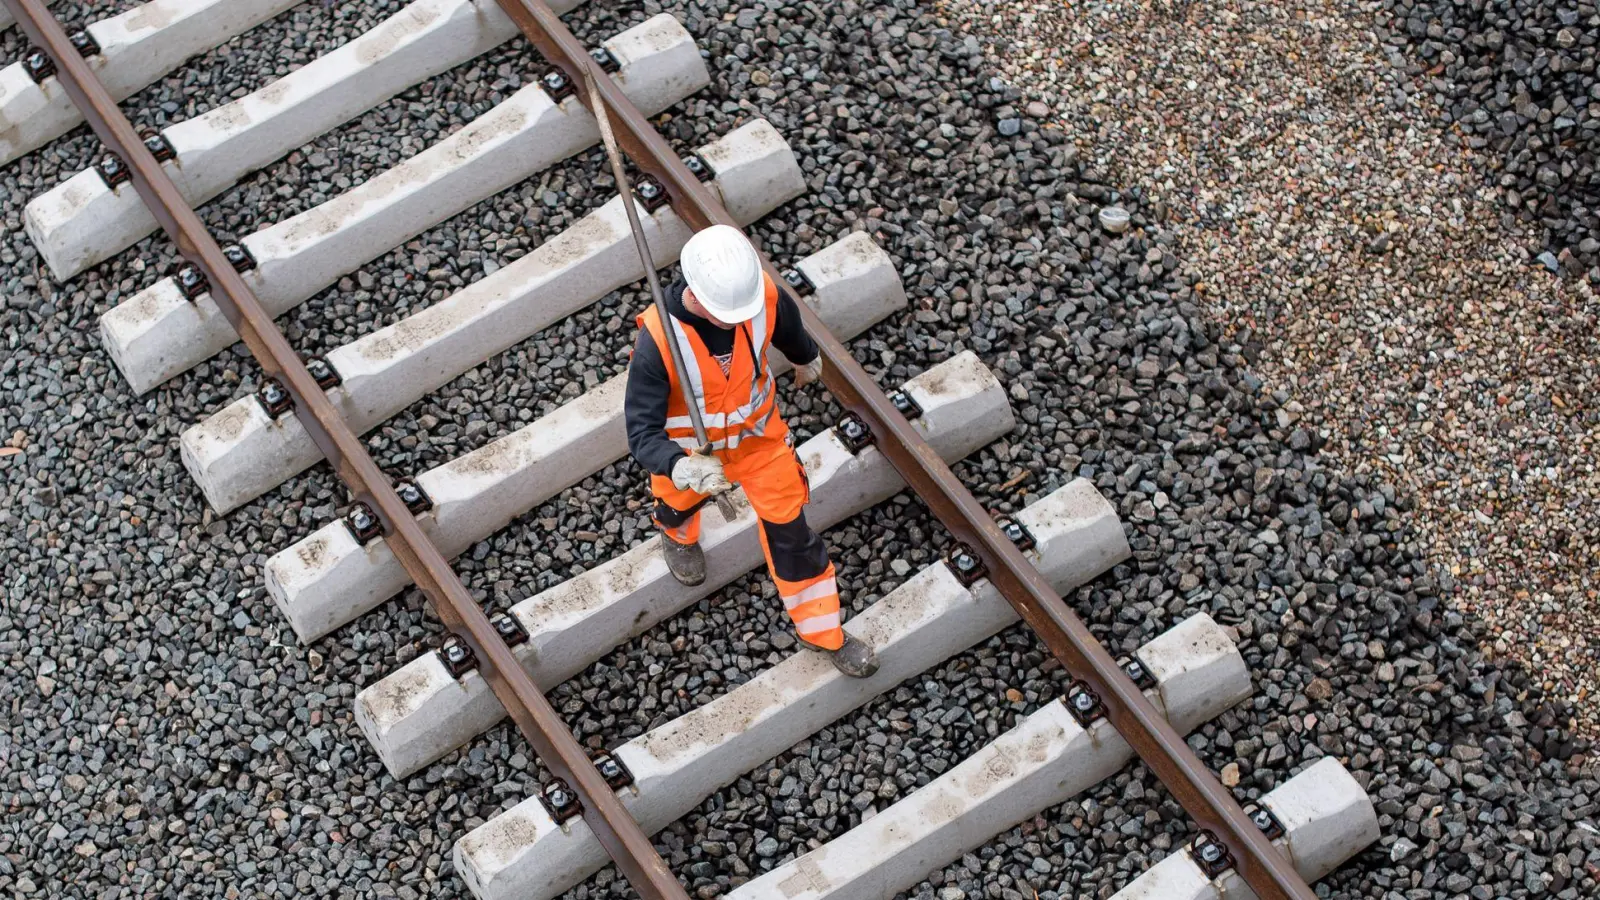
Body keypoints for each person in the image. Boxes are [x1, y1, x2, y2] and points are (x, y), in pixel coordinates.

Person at [624, 225, 878, 678]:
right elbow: (641, 432)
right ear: (695, 296)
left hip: (759, 443)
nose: (738, 319)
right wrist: (679, 466)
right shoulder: (658, 343)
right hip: (693, 456)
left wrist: (805, 356)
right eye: (727, 314)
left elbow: (786, 325)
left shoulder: (759, 296)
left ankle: (823, 632)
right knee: (677, 503)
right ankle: (676, 534)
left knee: (794, 535)